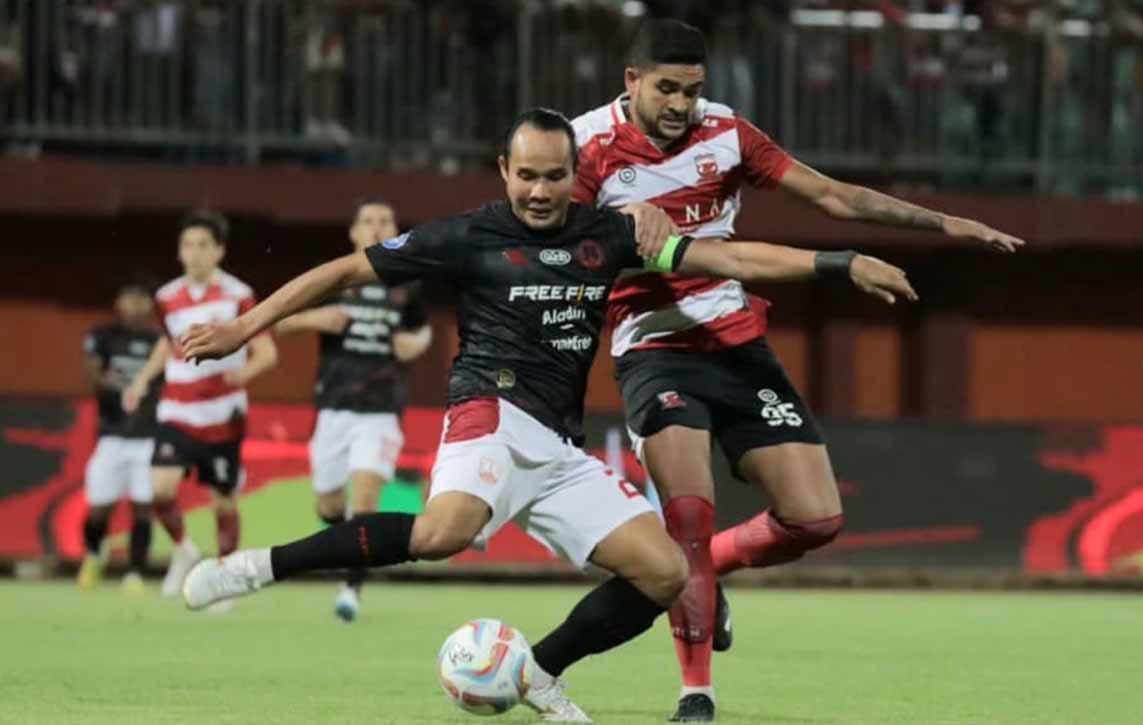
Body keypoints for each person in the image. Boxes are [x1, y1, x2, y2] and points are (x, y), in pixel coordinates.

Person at [177, 108, 916, 723]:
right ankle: (252, 568)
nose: (538, 190)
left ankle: (536, 670)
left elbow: (732, 262)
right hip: (488, 409)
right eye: (525, 175)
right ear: (504, 170)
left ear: (575, 174)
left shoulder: (610, 236)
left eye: (554, 175)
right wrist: (247, 327)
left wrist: (838, 263)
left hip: (559, 447)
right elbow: (344, 270)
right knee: (443, 531)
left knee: (664, 572)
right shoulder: (468, 237)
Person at [571, 19, 1025, 721]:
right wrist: (616, 230)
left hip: (736, 340)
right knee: (687, 511)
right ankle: (697, 692)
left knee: (816, 518)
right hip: (653, 345)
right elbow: (558, 249)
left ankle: (706, 568)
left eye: (692, 90)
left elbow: (833, 195)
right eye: (666, 88)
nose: (680, 104)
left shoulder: (727, 132)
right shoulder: (584, 146)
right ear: (630, 81)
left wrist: (943, 224)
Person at [275, 198, 431, 621]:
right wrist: (317, 318)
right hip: (333, 408)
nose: (377, 227)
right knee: (329, 506)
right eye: (368, 221)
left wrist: (414, 345)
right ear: (353, 232)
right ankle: (347, 545)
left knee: (364, 501)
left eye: (385, 220)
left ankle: (351, 587)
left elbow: (422, 331)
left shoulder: (408, 282)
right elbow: (278, 320)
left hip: (380, 410)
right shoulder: (333, 279)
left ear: (396, 229)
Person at [122, 209, 279, 598]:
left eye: (203, 245)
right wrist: (142, 380)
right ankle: (183, 550)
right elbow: (167, 342)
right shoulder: (166, 297)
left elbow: (267, 352)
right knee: (160, 490)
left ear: (220, 251)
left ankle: (224, 579)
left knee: (223, 500)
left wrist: (245, 373)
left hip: (223, 415)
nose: (194, 253)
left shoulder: (239, 296)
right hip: (176, 410)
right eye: (187, 245)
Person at [78, 284, 162, 593]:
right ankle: (92, 555)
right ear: (118, 301)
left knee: (143, 507)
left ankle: (135, 573)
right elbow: (93, 374)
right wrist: (118, 385)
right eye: (129, 298)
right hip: (111, 436)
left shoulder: (159, 340)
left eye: (142, 299)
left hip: (147, 437)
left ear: (150, 304)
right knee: (99, 508)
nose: (135, 305)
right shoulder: (103, 336)